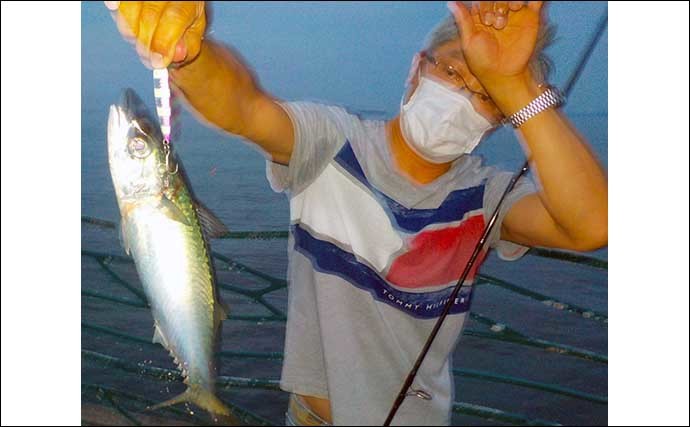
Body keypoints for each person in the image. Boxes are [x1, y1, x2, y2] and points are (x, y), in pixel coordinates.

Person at [105, 1, 608, 425]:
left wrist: (519, 89)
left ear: (500, 121)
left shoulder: (486, 197)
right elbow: (242, 105)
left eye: (488, 95)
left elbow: (592, 225)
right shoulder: (332, 142)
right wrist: (188, 52)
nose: (462, 96)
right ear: (417, 67)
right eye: (452, 69)